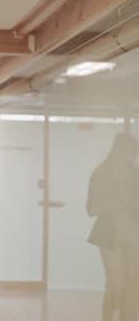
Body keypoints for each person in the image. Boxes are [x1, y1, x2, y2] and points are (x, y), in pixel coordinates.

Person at [87, 133, 139, 321]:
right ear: (117, 150)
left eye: (134, 151)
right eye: (128, 151)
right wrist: (120, 202)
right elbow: (92, 208)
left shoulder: (136, 175)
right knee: (117, 284)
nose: (132, 155)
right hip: (110, 235)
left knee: (134, 285)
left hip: (134, 235)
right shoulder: (100, 174)